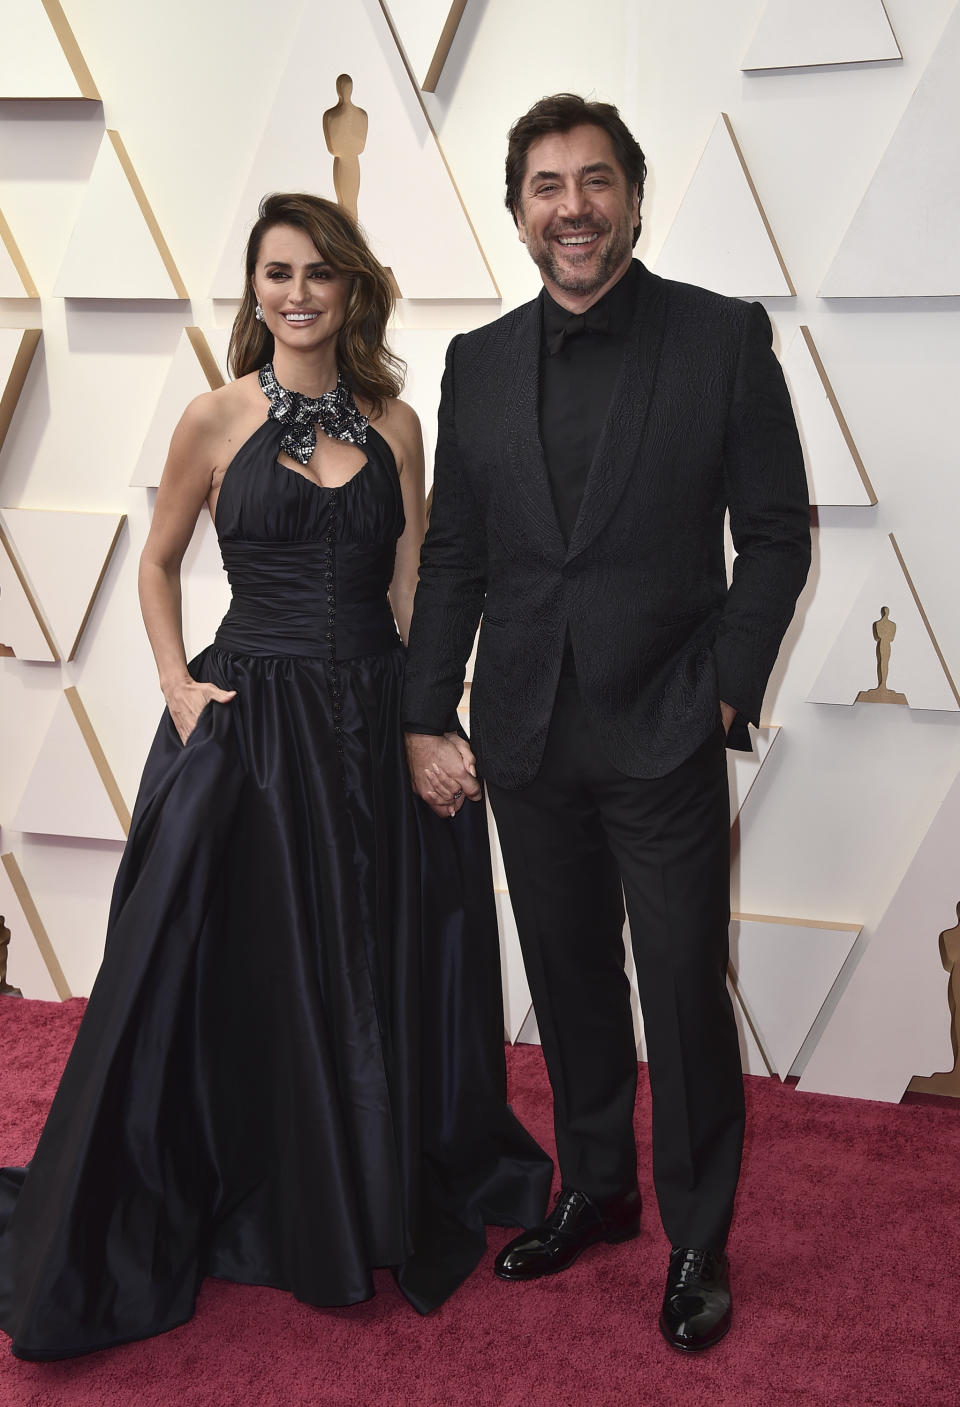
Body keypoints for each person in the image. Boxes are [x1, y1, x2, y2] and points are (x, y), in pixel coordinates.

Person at [0, 193, 551, 1361]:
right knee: (257, 971)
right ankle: (270, 1185)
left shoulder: (399, 424)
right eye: (278, 273)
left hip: (364, 721)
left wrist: (431, 725)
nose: (298, 293)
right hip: (253, 726)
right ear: (253, 289)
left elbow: (410, 590)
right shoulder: (213, 416)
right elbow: (155, 566)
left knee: (363, 959)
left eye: (320, 274)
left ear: (354, 289)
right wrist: (172, 684)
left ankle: (363, 1180)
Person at [402, 95, 811, 1352]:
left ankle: (697, 1233)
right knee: (573, 976)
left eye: (592, 182)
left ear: (633, 194)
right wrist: (424, 713)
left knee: (683, 989)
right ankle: (597, 1188)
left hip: (666, 724)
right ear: (517, 209)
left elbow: (778, 534)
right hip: (525, 729)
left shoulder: (723, 338)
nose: (570, 208)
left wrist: (728, 689)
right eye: (545, 186)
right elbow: (459, 557)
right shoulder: (475, 364)